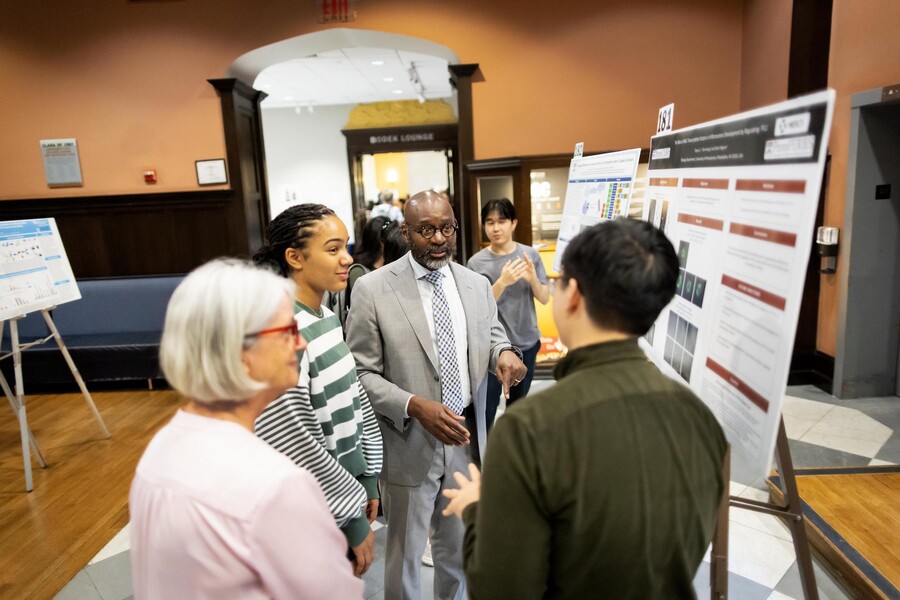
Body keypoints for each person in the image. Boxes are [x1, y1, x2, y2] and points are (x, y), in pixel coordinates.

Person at [443, 219, 728, 600]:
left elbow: (500, 589)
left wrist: (479, 510)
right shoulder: (699, 417)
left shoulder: (531, 428)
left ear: (573, 294)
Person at [129, 258, 363, 599]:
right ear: (239, 352)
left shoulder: (160, 449)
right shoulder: (276, 486)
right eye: (287, 331)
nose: (300, 343)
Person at [346, 190, 526, 600]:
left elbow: (493, 336)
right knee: (405, 557)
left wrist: (505, 354)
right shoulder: (373, 289)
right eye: (426, 230)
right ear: (406, 232)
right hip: (409, 440)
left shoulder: (476, 284)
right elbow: (361, 372)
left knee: (459, 554)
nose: (440, 238)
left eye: (447, 228)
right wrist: (413, 405)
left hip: (466, 437)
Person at [253, 204, 383, 578]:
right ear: (294, 257)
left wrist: (367, 477)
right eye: (332, 249)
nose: (347, 258)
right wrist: (349, 518)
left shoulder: (325, 318)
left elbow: (354, 400)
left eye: (346, 246)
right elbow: (294, 441)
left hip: (340, 495)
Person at [467, 198, 549, 431]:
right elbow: (476, 310)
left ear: (513, 223)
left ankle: (511, 451)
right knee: (486, 409)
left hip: (526, 343)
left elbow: (544, 297)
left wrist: (532, 279)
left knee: (517, 409)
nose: (495, 228)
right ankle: (486, 452)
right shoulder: (476, 263)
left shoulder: (529, 255)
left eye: (501, 221)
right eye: (490, 222)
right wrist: (502, 282)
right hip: (491, 348)